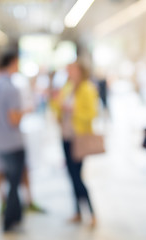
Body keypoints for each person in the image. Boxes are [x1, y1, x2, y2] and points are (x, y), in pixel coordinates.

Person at [51, 61, 98, 228]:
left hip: (79, 137)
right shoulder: (67, 87)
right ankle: (78, 211)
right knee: (71, 175)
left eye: (72, 69)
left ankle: (91, 213)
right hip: (66, 136)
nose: (69, 71)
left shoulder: (87, 88)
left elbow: (91, 113)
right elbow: (57, 106)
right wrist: (56, 103)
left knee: (77, 176)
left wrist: (72, 110)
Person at [0, 51, 26, 232]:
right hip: (12, 142)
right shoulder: (11, 88)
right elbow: (14, 119)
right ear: (13, 62)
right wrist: (26, 111)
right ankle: (9, 220)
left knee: (7, 179)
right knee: (14, 182)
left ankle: (16, 215)